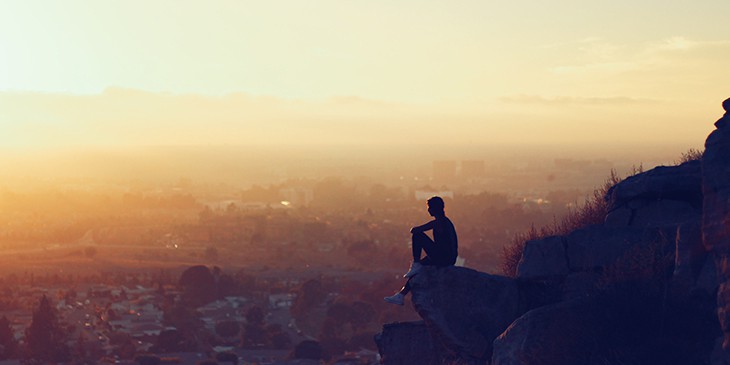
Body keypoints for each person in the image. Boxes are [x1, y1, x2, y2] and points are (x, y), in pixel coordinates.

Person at [384, 196, 458, 305]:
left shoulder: (439, 222)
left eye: (429, 207)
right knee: (417, 271)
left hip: (442, 257)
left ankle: (416, 262)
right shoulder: (446, 222)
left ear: (435, 208)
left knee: (417, 235)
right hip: (446, 257)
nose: (428, 210)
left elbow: (414, 230)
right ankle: (401, 295)